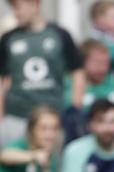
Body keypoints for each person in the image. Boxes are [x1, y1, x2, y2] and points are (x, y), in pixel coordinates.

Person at [0, 0, 83, 146]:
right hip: (17, 117)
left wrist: (75, 107)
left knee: (52, 164)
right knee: (11, 160)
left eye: (18, 7)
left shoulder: (59, 34)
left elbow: (78, 71)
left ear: (35, 4)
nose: (15, 13)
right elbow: (2, 80)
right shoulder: (8, 38)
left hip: (52, 118)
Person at [0, 105, 61, 172]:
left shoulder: (52, 158)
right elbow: (5, 155)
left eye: (54, 129)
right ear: (31, 129)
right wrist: (33, 156)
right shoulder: (20, 145)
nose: (50, 134)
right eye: (44, 129)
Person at [64, 39, 114, 121]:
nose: (103, 68)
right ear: (82, 62)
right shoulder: (69, 87)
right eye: (97, 63)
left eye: (106, 63)